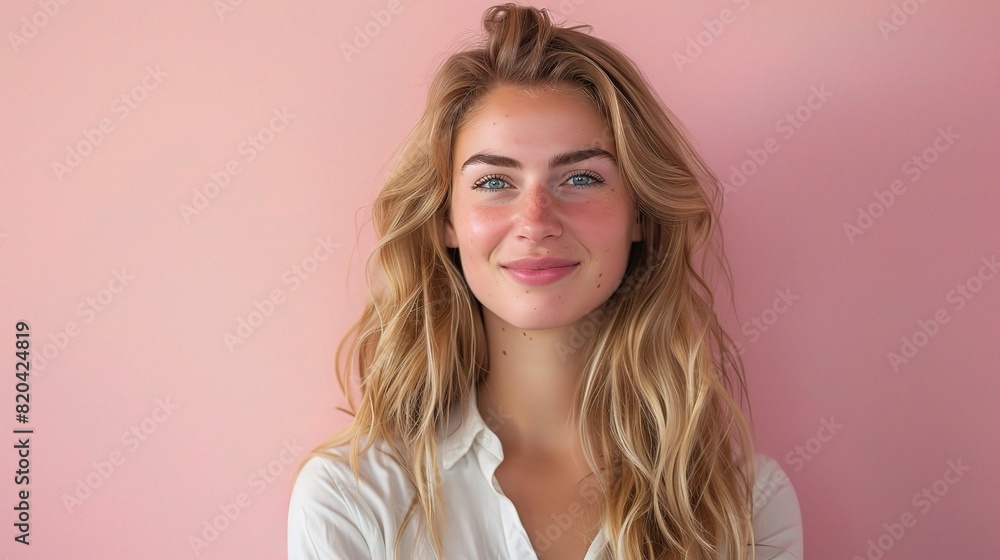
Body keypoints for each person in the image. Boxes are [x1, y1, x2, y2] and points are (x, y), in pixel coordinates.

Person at [288, 4, 803, 559]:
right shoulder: (350, 499)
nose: (536, 221)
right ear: (446, 220)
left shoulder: (745, 503)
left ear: (639, 215)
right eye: (493, 181)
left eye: (581, 177)